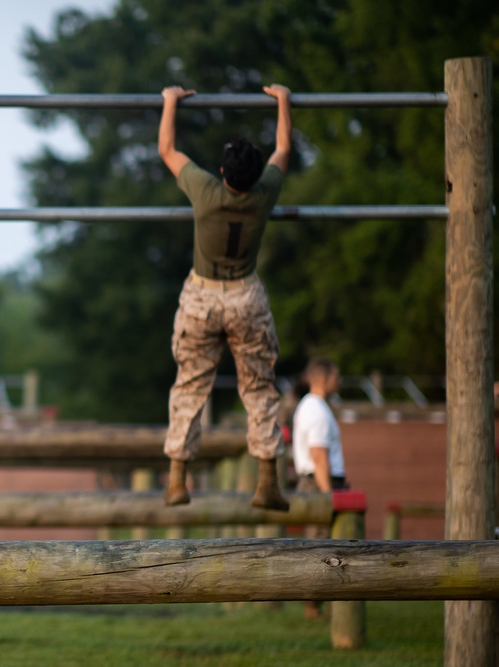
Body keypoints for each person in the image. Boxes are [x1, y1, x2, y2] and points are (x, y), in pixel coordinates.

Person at [158, 83, 294, 510]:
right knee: (258, 386)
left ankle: (178, 478)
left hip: (202, 294)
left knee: (191, 383)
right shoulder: (264, 193)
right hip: (245, 297)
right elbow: (284, 150)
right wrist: (284, 101)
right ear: (255, 176)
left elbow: (166, 148)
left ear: (222, 172)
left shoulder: (205, 190)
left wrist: (170, 101)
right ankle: (268, 480)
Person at [292, 357, 348, 618]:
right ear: (323, 379)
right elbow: (319, 456)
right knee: (322, 546)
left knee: (321, 543)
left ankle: (316, 603)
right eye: (337, 375)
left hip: (316, 480)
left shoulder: (310, 406)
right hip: (320, 482)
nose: (340, 380)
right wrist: (329, 497)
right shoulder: (317, 410)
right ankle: (313, 605)